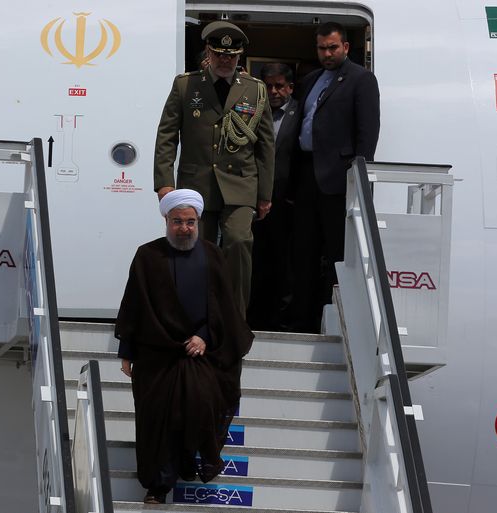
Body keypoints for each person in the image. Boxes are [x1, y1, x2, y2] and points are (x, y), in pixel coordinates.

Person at [115, 189, 253, 504]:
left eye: (190, 222)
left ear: (198, 222)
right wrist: (127, 352)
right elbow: (134, 305)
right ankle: (157, 485)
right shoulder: (148, 256)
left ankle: (188, 462)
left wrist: (204, 336)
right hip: (156, 354)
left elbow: (224, 307)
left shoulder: (213, 255)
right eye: (177, 221)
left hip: (200, 353)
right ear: (167, 220)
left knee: (198, 403)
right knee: (157, 417)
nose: (184, 228)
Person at [154, 21, 275, 316]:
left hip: (240, 182)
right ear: (208, 52)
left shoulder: (255, 90)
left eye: (231, 56)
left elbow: (266, 146)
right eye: (220, 54)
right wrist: (165, 183)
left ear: (239, 56)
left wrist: (264, 194)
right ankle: (195, 313)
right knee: (196, 246)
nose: (225, 61)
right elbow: (167, 136)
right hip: (197, 183)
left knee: (239, 240)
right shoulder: (186, 85)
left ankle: (233, 316)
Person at [290, 21, 381, 332]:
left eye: (332, 48)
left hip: (338, 181)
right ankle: (300, 322)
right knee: (302, 252)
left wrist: (358, 181)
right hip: (306, 176)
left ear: (345, 47)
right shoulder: (310, 80)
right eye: (321, 48)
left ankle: (331, 323)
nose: (327, 54)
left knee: (336, 256)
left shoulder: (361, 79)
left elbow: (367, 136)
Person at [247, 63, 301, 330]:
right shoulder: (251, 111)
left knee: (285, 262)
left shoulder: (300, 112)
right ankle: (252, 316)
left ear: (290, 87)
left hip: (286, 201)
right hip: (253, 200)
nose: (274, 91)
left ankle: (283, 321)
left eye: (279, 86)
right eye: (268, 86)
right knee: (255, 259)